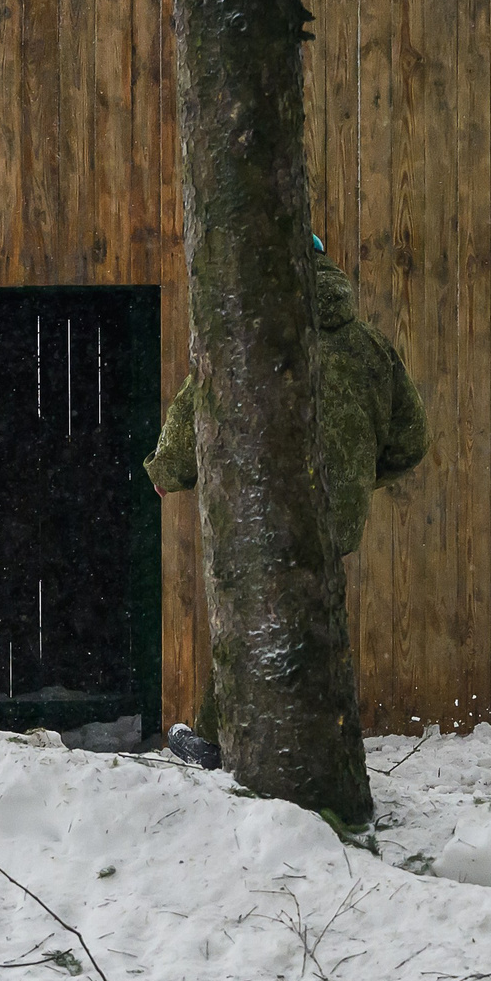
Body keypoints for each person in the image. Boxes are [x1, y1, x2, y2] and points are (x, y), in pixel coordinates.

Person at [145, 245, 430, 770]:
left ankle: (214, 740)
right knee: (314, 618)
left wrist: (167, 473)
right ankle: (312, 740)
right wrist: (357, 477)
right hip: (335, 518)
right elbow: (412, 439)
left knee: (253, 621)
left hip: (265, 508)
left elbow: (193, 415)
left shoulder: (245, 339)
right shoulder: (370, 348)